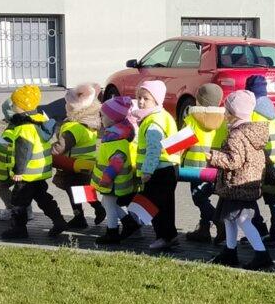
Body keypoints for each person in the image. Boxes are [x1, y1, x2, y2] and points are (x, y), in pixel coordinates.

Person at [207, 90, 275, 271]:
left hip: (236, 184)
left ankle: (262, 255)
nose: (224, 114)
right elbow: (265, 159)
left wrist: (213, 157)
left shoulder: (236, 135)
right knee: (230, 219)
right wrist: (273, 178)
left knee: (243, 220)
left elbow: (234, 161)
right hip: (246, 185)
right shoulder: (253, 134)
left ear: (234, 114)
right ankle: (230, 251)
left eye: (227, 111)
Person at [0, 85, 67, 242]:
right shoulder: (40, 122)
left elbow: (24, 151)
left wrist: (18, 171)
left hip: (27, 173)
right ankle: (59, 221)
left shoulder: (25, 128)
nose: (12, 106)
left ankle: (19, 229)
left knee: (18, 202)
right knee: (43, 198)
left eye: (15, 103)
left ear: (22, 106)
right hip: (39, 172)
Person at [120, 80, 180, 250]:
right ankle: (169, 236)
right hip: (168, 168)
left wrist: (147, 171)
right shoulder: (163, 115)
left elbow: (153, 149)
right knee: (165, 205)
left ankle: (163, 236)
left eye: (146, 98)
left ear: (156, 100)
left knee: (156, 207)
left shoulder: (153, 121)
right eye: (139, 97)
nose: (140, 102)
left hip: (159, 170)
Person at [52, 83, 106, 229]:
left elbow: (61, 146)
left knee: (75, 192)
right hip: (85, 164)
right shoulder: (89, 124)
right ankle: (92, 211)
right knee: (82, 191)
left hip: (73, 166)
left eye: (67, 104)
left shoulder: (74, 127)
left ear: (73, 107)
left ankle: (84, 215)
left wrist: (47, 153)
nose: (66, 106)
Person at [180, 83, 228, 244]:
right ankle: (203, 229)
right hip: (216, 168)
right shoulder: (224, 121)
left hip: (195, 168)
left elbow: (180, 145)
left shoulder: (192, 119)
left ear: (199, 100)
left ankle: (217, 221)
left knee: (198, 198)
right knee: (204, 196)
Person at [93, 96, 138, 246]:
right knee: (107, 203)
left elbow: (116, 162)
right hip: (114, 181)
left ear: (112, 119)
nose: (101, 119)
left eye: (103, 116)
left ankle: (112, 232)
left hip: (112, 181)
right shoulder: (118, 134)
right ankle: (129, 222)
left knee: (109, 206)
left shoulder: (114, 138)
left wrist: (106, 178)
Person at [247, 75, 275, 248]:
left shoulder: (254, 110)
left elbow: (254, 138)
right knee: (271, 195)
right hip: (274, 157)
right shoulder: (270, 106)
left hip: (262, 159)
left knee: (248, 193)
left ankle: (259, 229)